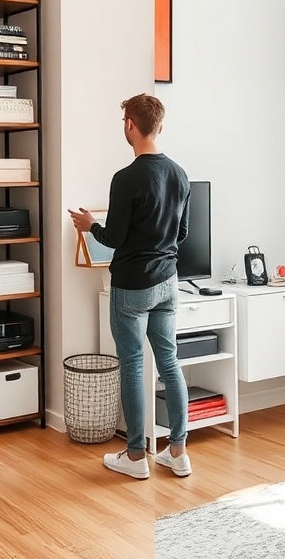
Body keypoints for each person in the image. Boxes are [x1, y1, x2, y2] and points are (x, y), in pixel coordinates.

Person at [69, 93, 192, 480]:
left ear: (130, 125)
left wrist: (90, 226)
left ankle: (137, 456)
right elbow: (182, 232)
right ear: (160, 126)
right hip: (169, 281)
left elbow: (116, 238)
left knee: (135, 366)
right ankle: (178, 452)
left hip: (133, 286)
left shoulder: (126, 178)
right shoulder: (180, 174)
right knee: (169, 363)